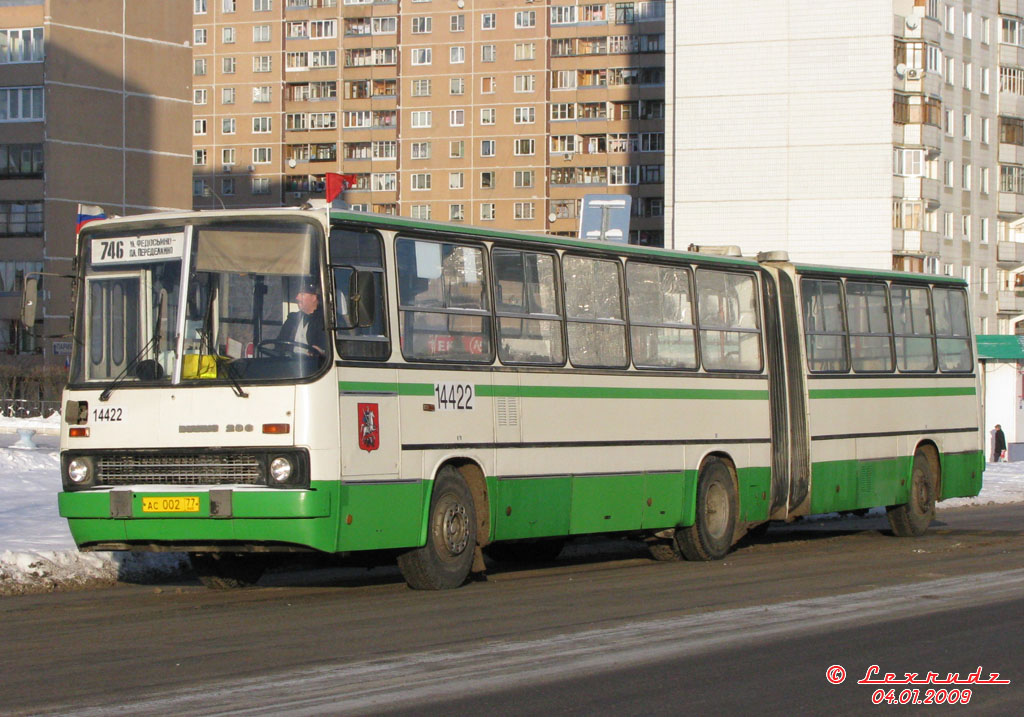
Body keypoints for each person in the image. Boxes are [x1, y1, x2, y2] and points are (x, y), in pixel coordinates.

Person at [278, 279, 326, 357]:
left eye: (302, 294)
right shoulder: (292, 319)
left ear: (314, 298)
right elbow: (279, 344)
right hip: (290, 363)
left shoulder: (326, 321)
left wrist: (322, 352)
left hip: (315, 366)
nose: (297, 297)